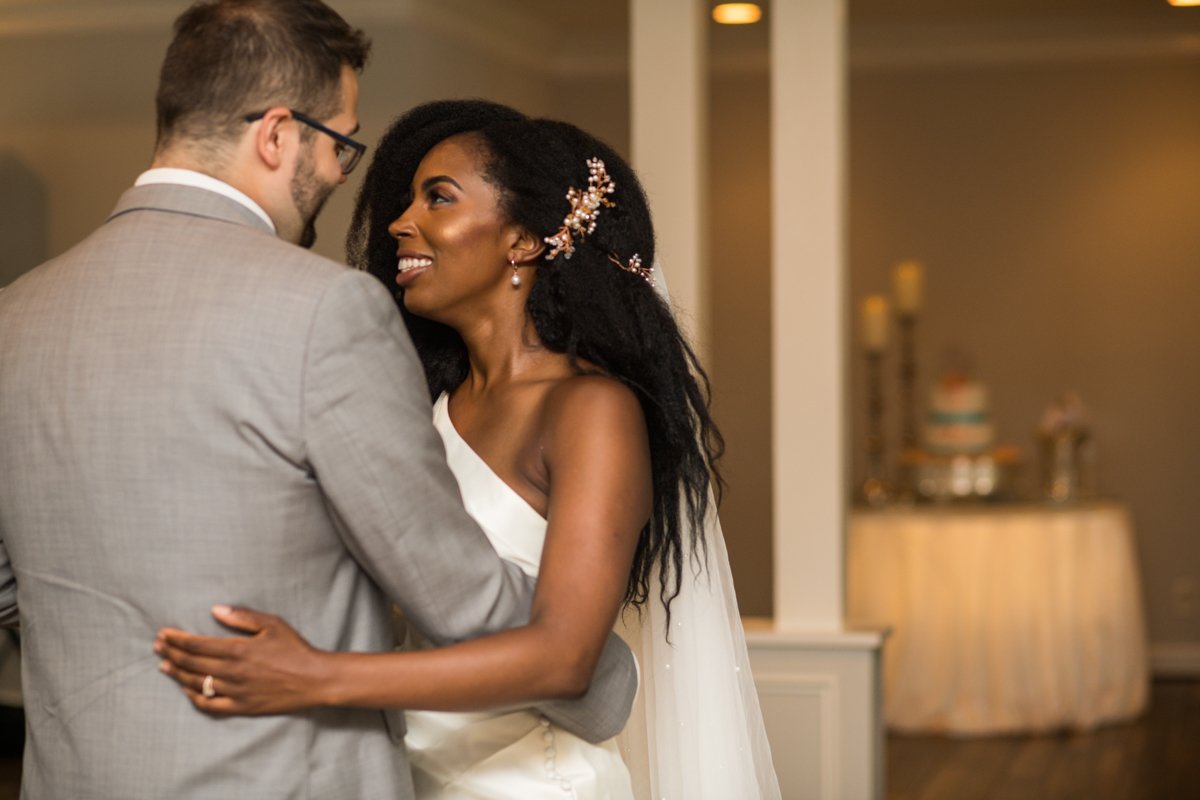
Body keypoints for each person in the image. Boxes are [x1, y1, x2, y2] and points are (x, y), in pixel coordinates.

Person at [0, 5, 635, 799]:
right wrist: (599, 669)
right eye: (341, 143)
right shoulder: (323, 309)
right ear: (276, 135)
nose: (344, 175)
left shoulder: (14, 315)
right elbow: (447, 585)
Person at [155, 100, 782, 800]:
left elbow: (565, 658)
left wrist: (314, 675)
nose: (399, 221)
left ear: (524, 240)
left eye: (439, 197)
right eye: (409, 197)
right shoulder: (425, 411)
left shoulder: (590, 410)